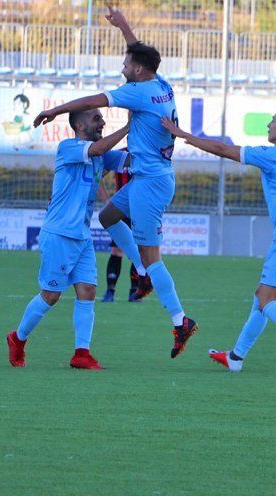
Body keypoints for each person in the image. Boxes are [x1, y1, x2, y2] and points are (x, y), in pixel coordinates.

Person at [33, 5, 197, 359]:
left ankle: (180, 319)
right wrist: (124, 27)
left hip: (151, 183)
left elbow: (95, 99)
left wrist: (55, 110)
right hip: (146, 178)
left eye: (125, 66)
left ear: (137, 71)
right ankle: (141, 269)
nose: (122, 70)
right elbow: (139, 54)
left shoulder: (136, 92)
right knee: (107, 217)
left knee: (153, 259)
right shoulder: (160, 84)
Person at [162, 100, 276, 376]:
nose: (269, 124)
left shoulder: (275, 154)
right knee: (261, 299)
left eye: (273, 121)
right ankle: (236, 356)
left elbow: (223, 149)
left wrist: (185, 137)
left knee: (267, 301)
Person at [7, 110, 129, 369]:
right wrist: (129, 125)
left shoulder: (100, 154)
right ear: (79, 124)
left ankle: (81, 354)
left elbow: (129, 159)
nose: (102, 122)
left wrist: (154, 140)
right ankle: (17, 339)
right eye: (96, 118)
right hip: (59, 233)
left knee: (88, 291)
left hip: (82, 235)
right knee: (51, 295)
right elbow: (97, 151)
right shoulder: (68, 148)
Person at [101, 150, 143, 302]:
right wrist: (107, 200)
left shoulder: (148, 153)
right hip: (122, 209)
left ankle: (135, 292)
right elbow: (97, 175)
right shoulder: (121, 155)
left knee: (140, 250)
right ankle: (110, 291)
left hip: (141, 210)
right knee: (117, 251)